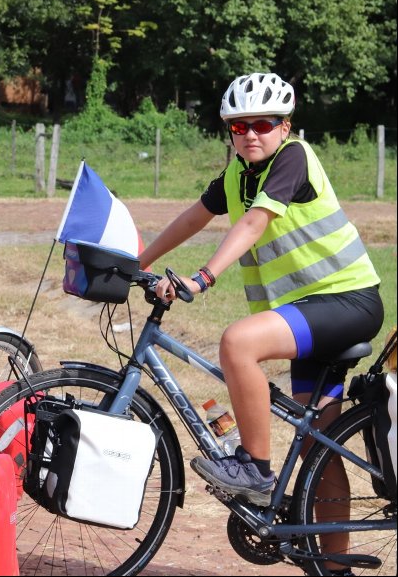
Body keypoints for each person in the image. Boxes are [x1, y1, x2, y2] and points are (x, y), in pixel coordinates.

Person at [140, 72, 382, 516]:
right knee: (317, 447)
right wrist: (140, 259)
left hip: (348, 301)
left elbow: (254, 222)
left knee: (238, 342)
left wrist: (203, 277)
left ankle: (254, 469)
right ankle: (334, 564)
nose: (250, 134)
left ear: (285, 126)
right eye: (239, 127)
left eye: (263, 124)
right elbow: (193, 218)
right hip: (311, 312)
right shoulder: (238, 173)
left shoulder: (294, 158)